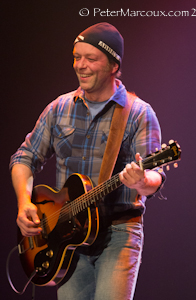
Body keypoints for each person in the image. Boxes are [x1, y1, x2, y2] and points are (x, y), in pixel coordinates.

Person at [10, 22, 165, 300]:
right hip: (66, 236)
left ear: (113, 65)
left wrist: (142, 180)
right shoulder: (59, 108)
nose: (80, 65)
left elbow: (154, 179)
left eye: (90, 58)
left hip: (118, 232)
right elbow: (24, 157)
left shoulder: (139, 113)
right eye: (76, 57)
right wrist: (24, 204)